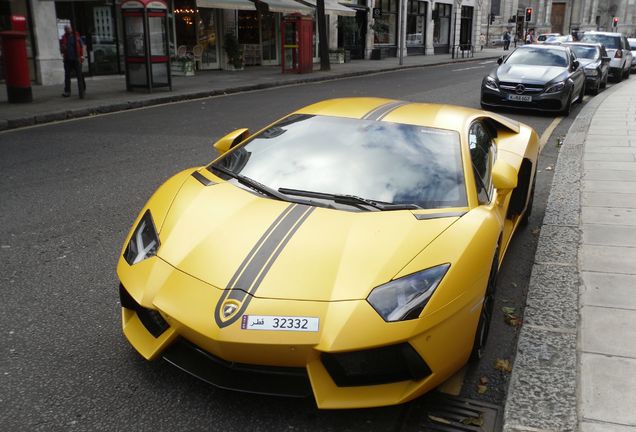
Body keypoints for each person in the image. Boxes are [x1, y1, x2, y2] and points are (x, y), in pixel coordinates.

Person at [60, 25, 86, 99]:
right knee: (67, 76)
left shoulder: (76, 37)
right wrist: (63, 48)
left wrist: (82, 56)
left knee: (79, 75)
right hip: (67, 59)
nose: (67, 30)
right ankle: (67, 91)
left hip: (76, 59)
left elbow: (83, 46)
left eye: (68, 28)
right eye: (65, 29)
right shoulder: (63, 38)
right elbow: (62, 49)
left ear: (71, 29)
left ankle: (82, 89)